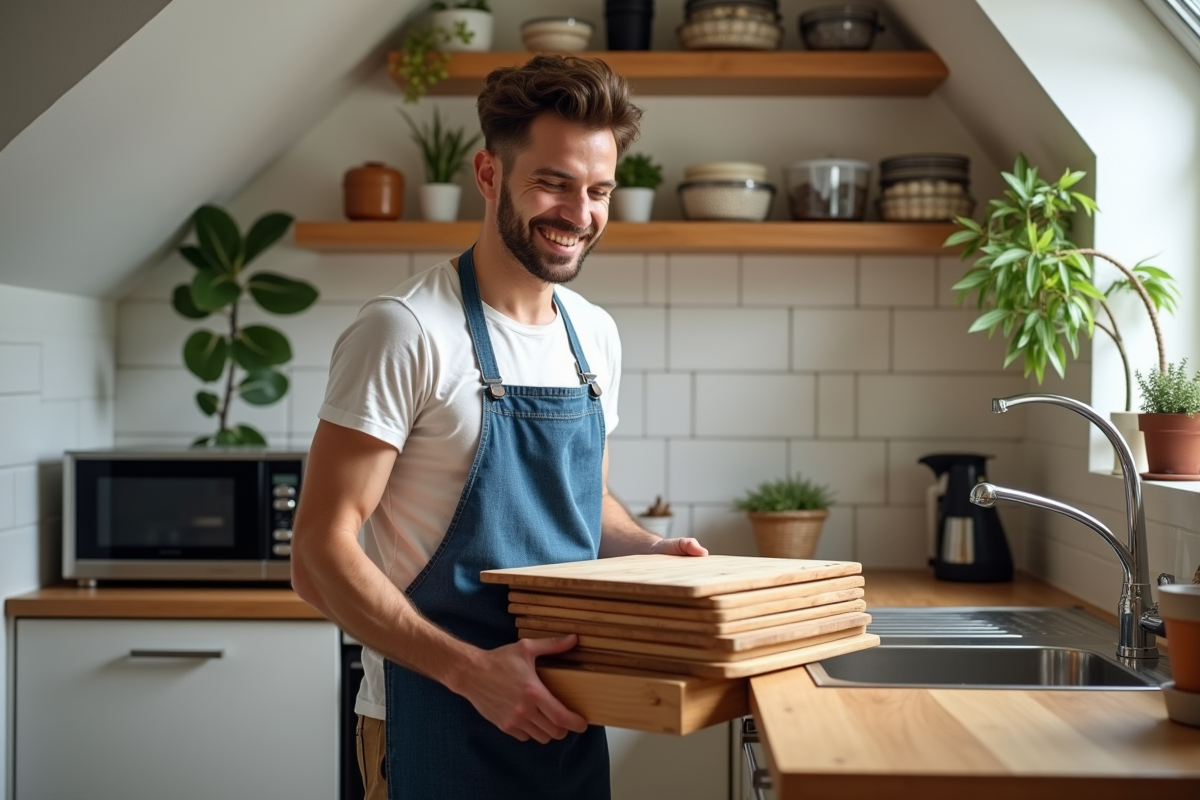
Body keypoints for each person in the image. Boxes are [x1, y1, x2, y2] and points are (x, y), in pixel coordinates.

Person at [290, 54, 709, 800]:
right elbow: (318, 556)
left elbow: (586, 502)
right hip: (434, 712)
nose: (579, 215)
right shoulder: (407, 330)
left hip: (570, 715)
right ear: (488, 175)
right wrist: (473, 673)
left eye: (599, 191)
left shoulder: (594, 336)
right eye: (553, 182)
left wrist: (648, 548)